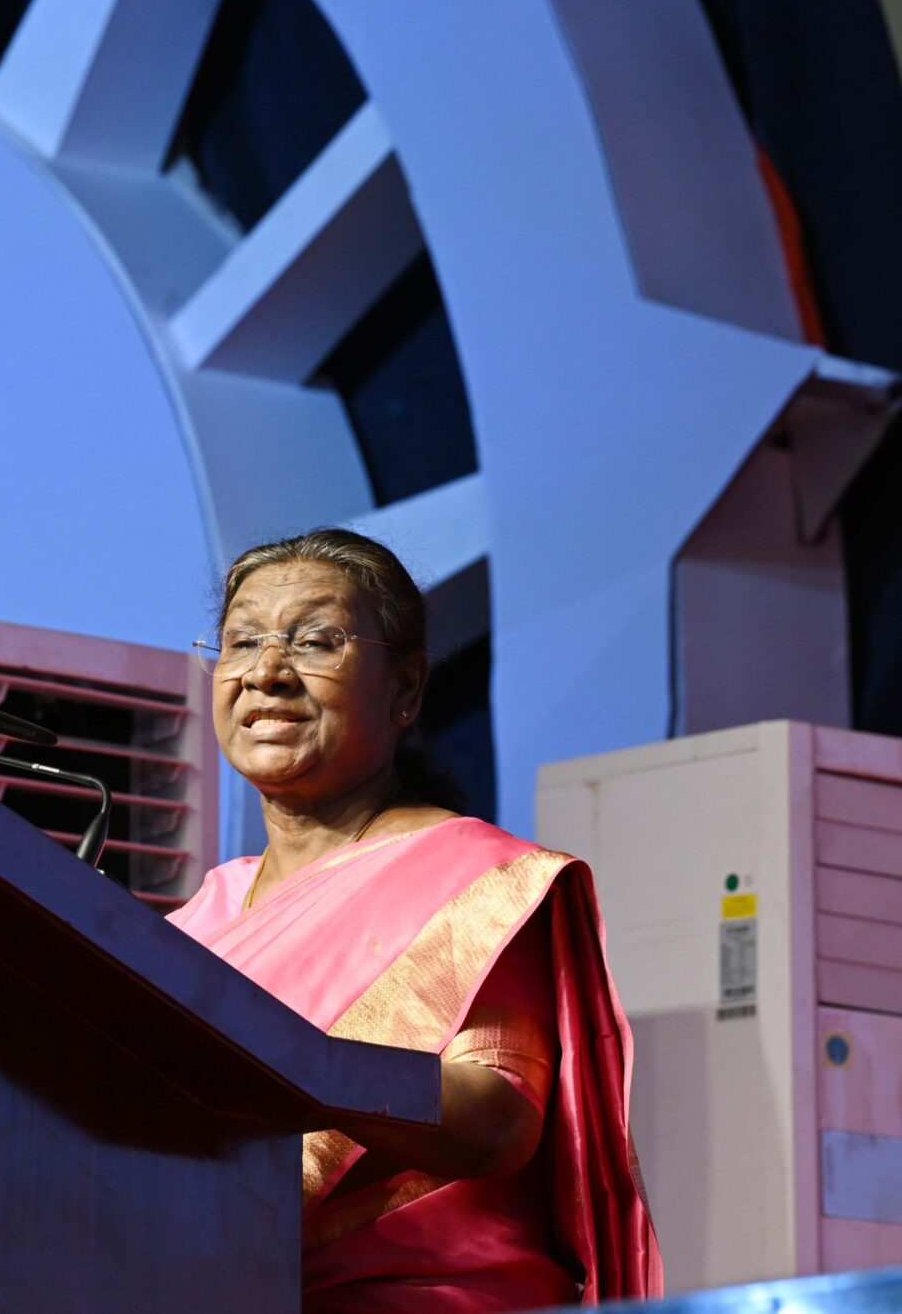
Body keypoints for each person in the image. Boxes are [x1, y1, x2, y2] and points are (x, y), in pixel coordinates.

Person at [169, 528, 660, 1310]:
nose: (266, 672)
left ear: (404, 688)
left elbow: (497, 1116)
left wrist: (298, 1066)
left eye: (316, 641)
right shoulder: (198, 921)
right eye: (243, 641)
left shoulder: (476, 876)